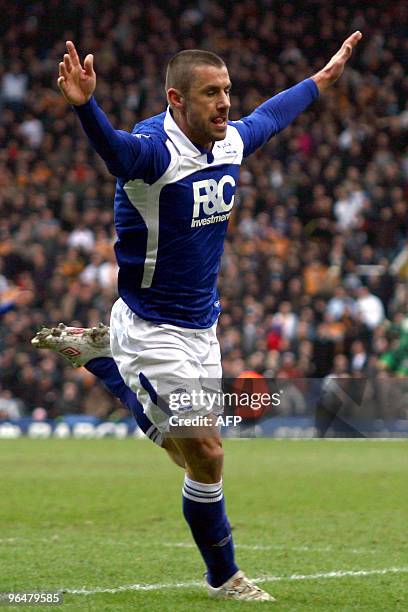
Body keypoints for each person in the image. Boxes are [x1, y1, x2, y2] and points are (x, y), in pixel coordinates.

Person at [51, 32, 362, 601]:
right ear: (176, 100)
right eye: (211, 94)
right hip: (151, 329)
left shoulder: (229, 142)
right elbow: (116, 153)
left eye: (227, 91)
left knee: (186, 454)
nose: (225, 103)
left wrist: (319, 82)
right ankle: (225, 577)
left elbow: (270, 115)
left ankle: (107, 369)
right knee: (211, 454)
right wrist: (84, 106)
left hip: (202, 328)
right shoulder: (155, 153)